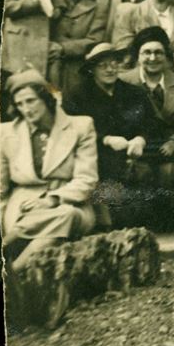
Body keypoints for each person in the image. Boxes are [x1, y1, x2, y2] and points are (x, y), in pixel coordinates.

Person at [0, 70, 97, 273]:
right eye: (20, 104)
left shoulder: (80, 126)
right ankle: (13, 272)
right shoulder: (6, 133)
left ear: (45, 97)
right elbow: (0, 186)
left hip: (70, 202)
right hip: (22, 205)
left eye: (30, 101)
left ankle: (10, 257)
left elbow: (86, 180)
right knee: (56, 230)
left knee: (68, 214)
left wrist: (51, 200)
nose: (26, 109)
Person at [119, 27, 174, 229]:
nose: (153, 58)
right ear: (138, 56)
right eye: (146, 52)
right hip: (138, 145)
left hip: (169, 144)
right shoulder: (124, 81)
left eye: (158, 52)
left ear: (166, 55)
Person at [62, 43, 152, 229]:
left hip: (131, 158)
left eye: (114, 63)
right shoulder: (77, 95)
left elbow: (149, 124)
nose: (110, 69)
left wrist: (140, 139)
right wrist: (106, 139)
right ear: (92, 69)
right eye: (103, 65)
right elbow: (70, 131)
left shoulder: (134, 93)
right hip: (95, 160)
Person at [2, 0, 65, 98]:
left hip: (42, 43)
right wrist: (37, 2)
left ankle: (55, 97)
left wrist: (57, 8)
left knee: (49, 73)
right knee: (23, 83)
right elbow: (8, 7)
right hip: (20, 45)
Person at [52, 0, 110, 95]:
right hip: (50, 70)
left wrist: (62, 48)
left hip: (79, 74)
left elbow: (95, 40)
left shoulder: (96, 8)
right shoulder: (51, 5)